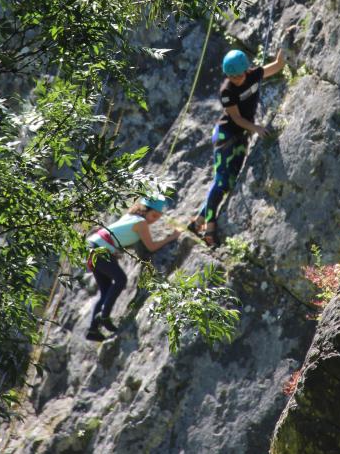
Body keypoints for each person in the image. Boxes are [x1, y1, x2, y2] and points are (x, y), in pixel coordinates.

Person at [188, 47, 285, 246]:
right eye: (231, 76)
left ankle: (197, 221)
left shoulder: (254, 74)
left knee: (229, 182)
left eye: (239, 75)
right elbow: (236, 118)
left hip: (241, 137)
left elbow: (277, 66)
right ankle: (210, 226)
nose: (236, 79)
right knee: (221, 180)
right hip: (226, 135)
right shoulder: (227, 91)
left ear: (246, 70)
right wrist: (256, 128)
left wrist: (284, 46)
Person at [85, 196, 179, 341]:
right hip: (100, 250)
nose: (154, 220)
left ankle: (93, 330)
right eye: (154, 215)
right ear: (145, 210)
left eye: (158, 217)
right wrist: (172, 237)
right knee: (121, 279)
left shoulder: (130, 217)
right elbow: (151, 247)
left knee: (106, 290)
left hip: (93, 246)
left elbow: (133, 243)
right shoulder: (141, 223)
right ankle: (104, 316)